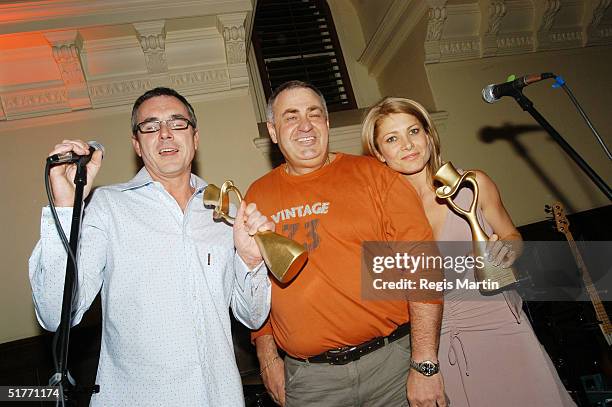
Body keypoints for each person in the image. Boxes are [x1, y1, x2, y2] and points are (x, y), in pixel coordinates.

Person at [29, 87, 273, 406]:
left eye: (177, 122)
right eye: (151, 125)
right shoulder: (107, 206)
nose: (166, 134)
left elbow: (253, 318)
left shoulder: (226, 211)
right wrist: (64, 207)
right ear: (137, 145)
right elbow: (53, 315)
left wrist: (251, 262)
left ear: (195, 138)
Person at [361, 96, 577, 406]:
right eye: (392, 139)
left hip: (499, 322)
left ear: (428, 134)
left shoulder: (472, 184)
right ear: (379, 153)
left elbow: (511, 235)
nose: (407, 144)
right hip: (437, 338)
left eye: (414, 131)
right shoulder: (380, 216)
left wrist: (508, 251)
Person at [246, 81, 446, 407]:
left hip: (392, 366)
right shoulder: (257, 196)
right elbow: (254, 285)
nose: (305, 125)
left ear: (326, 122)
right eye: (290, 117)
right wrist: (267, 358)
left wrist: (424, 362)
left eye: (314, 114)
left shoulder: (376, 176)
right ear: (273, 130)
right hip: (311, 382)